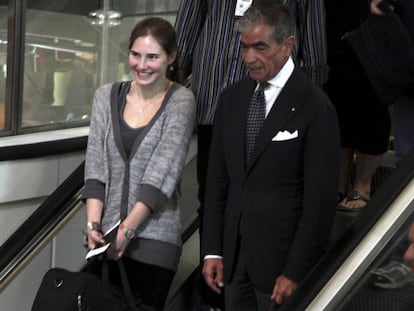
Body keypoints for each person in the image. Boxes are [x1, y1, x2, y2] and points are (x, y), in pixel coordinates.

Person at [174, 0, 328, 309]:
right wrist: (174, 81)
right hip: (214, 95)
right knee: (214, 191)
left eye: (257, 48)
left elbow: (313, 38)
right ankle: (215, 289)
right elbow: (188, 26)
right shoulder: (229, 98)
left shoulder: (316, 108)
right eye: (247, 48)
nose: (250, 58)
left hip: (280, 108)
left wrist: (303, 99)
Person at [82, 17, 196, 311]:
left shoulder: (180, 101)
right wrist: (94, 224)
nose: (142, 64)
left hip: (154, 242)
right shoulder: (106, 96)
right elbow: (95, 167)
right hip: (106, 241)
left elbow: (162, 174)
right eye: (136, 54)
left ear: (171, 58)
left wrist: (127, 231)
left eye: (152, 57)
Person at [324, 0, 391, 212]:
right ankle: (339, 184)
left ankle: (362, 187)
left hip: (373, 21)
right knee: (335, 99)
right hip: (334, 22)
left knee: (369, 101)